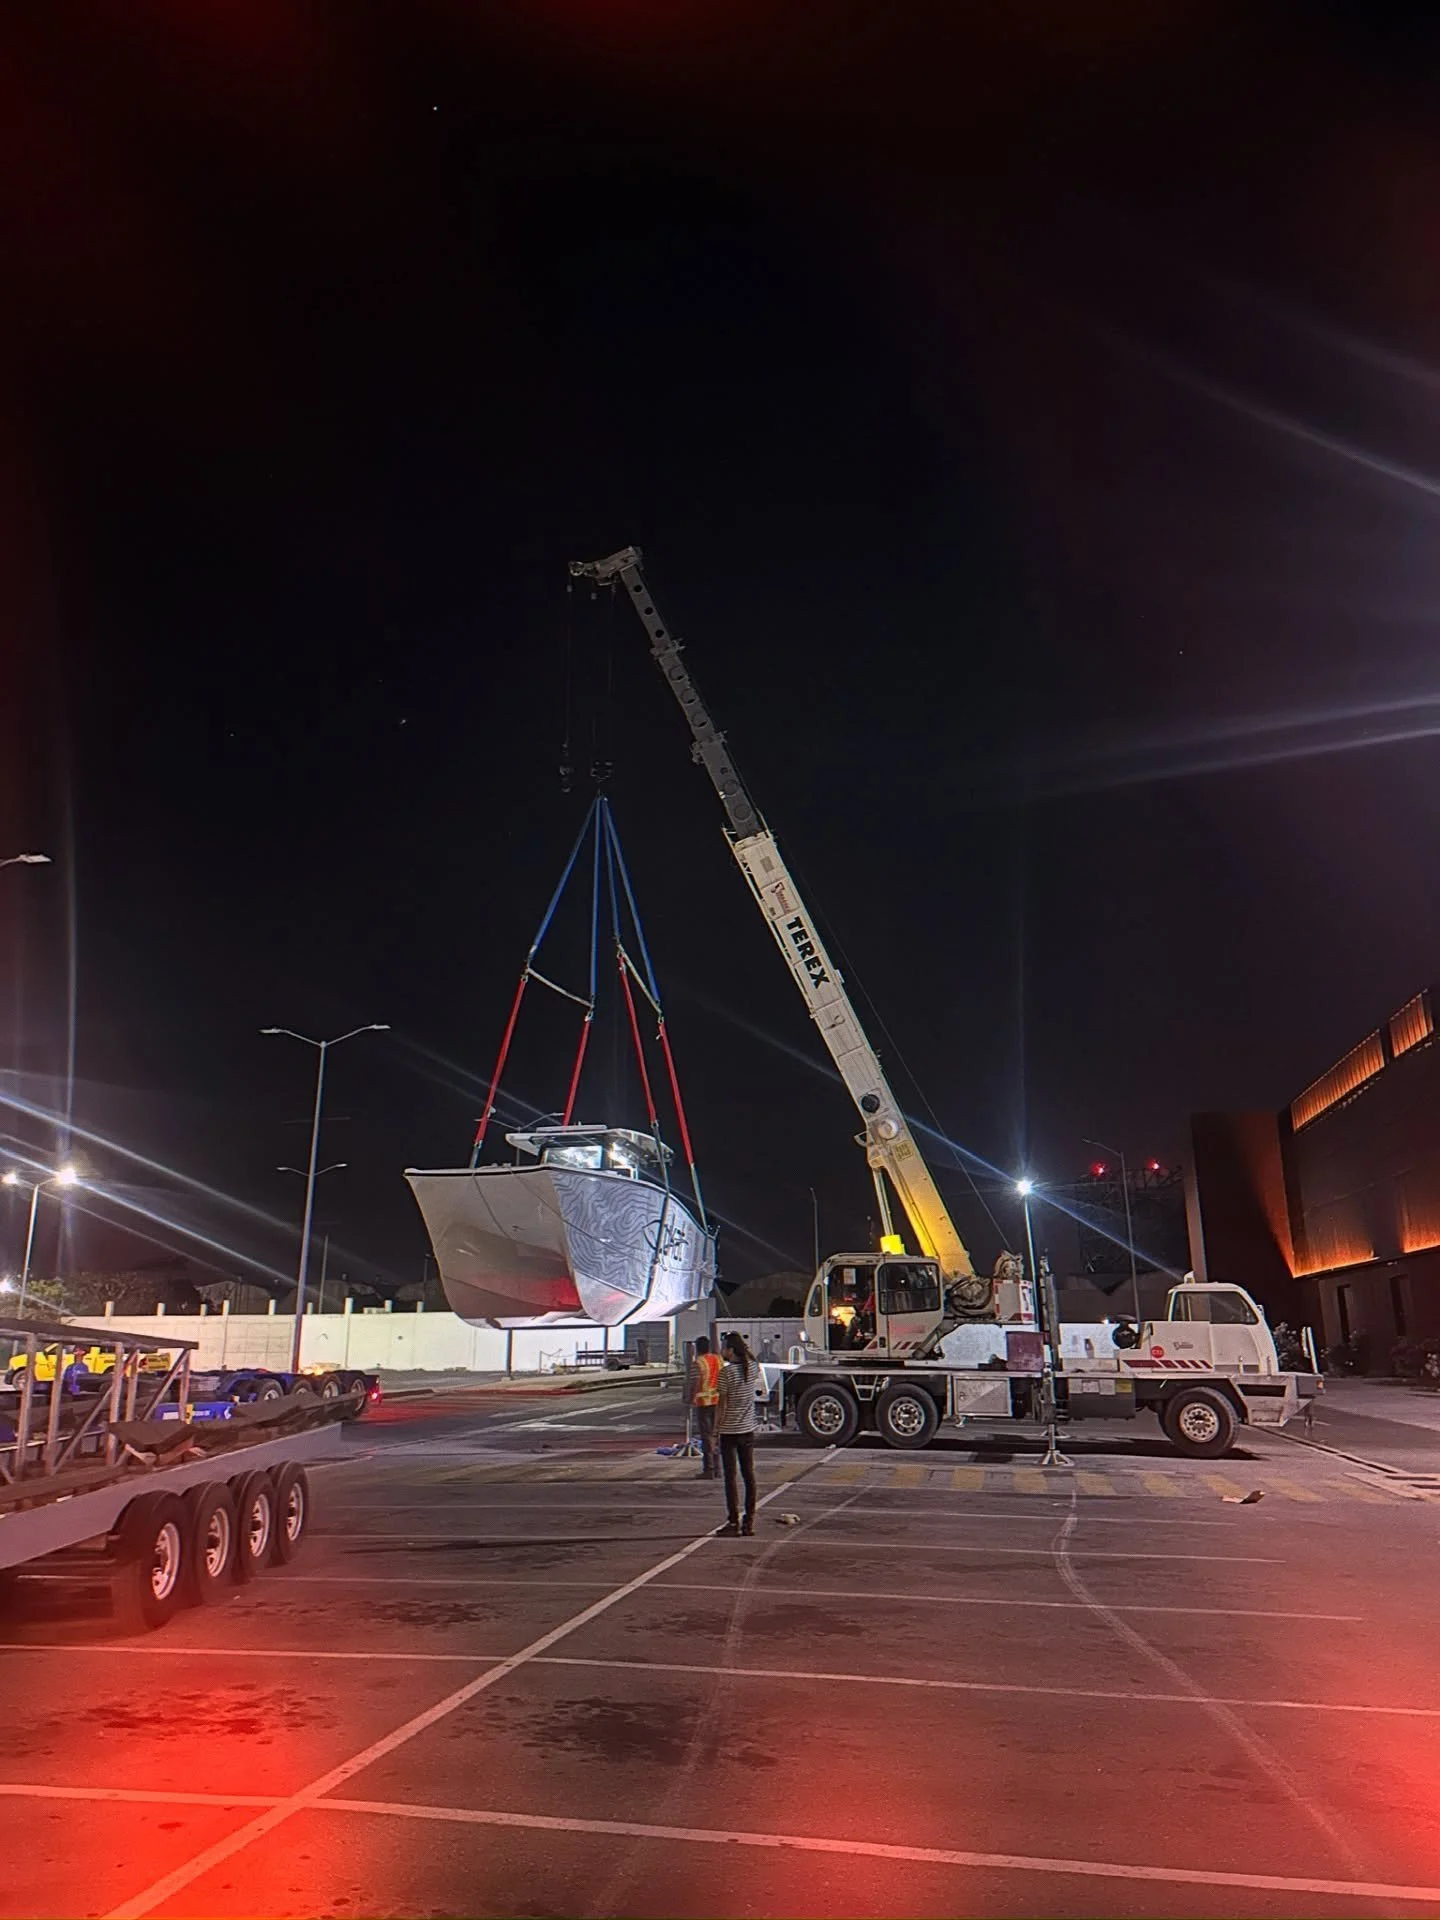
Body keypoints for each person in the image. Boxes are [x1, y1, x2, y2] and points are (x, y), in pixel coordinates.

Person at [714, 1330, 761, 1536]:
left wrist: (716, 1430)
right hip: (747, 1430)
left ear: (730, 1351)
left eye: (724, 1347)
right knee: (749, 1475)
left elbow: (722, 1406)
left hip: (729, 1431)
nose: (721, 1351)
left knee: (730, 1478)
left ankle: (733, 1521)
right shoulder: (752, 1367)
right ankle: (749, 1522)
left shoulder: (726, 1373)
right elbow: (751, 1358)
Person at [686, 1335, 722, 1479]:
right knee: (716, 1435)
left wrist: (691, 1397)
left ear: (697, 1348)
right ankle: (718, 1469)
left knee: (706, 1437)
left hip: (704, 1403)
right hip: (718, 1401)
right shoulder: (718, 1359)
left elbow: (696, 1381)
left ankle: (709, 1469)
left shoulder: (698, 1362)